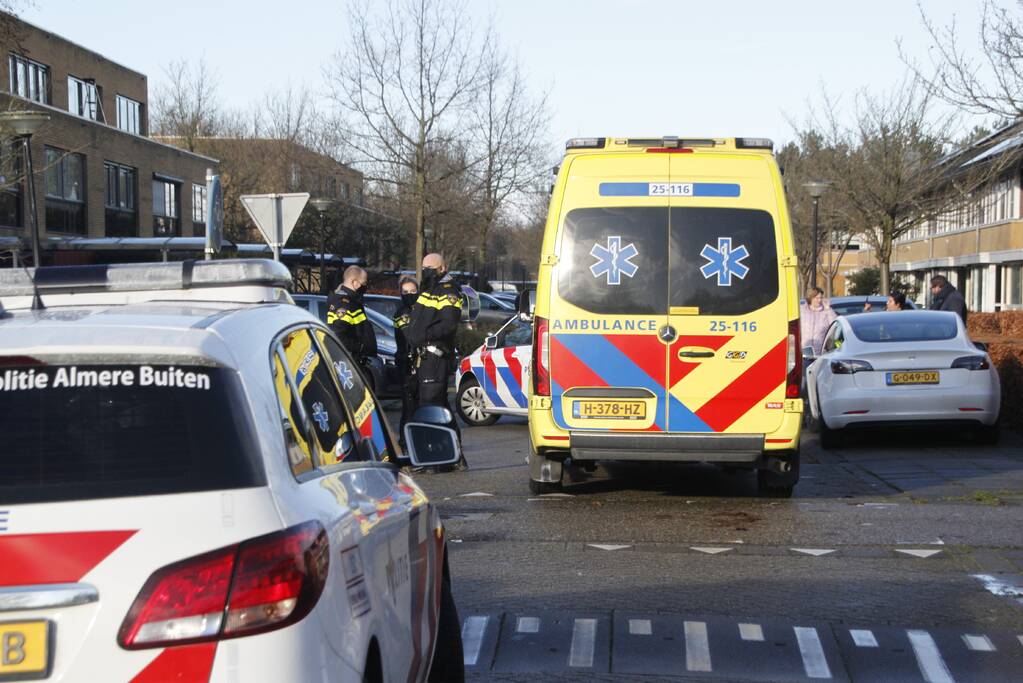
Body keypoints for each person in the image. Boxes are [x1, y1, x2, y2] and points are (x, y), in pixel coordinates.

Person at [406, 252, 467, 469]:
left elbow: (448, 324)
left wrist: (423, 337)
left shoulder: (448, 291)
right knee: (438, 406)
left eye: (430, 268)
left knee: (431, 406)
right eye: (424, 268)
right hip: (424, 357)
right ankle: (452, 456)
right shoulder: (429, 288)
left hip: (435, 356)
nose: (426, 272)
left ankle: (436, 458)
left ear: (441, 268)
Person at [326, 265, 377, 366]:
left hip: (354, 360)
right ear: (354, 282)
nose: (365, 286)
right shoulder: (344, 304)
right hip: (350, 361)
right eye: (363, 283)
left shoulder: (352, 302)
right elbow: (339, 335)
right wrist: (360, 347)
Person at [392, 276, 419, 445]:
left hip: (414, 362)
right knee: (409, 407)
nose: (409, 295)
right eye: (405, 292)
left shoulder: (418, 309)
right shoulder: (403, 313)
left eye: (413, 291)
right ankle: (405, 442)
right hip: (407, 364)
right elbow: (411, 338)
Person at [799, 286, 837, 356]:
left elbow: (835, 325)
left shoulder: (826, 311)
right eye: (817, 298)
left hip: (820, 353)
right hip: (803, 352)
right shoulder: (801, 310)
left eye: (821, 298)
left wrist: (828, 309)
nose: (819, 300)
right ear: (810, 298)